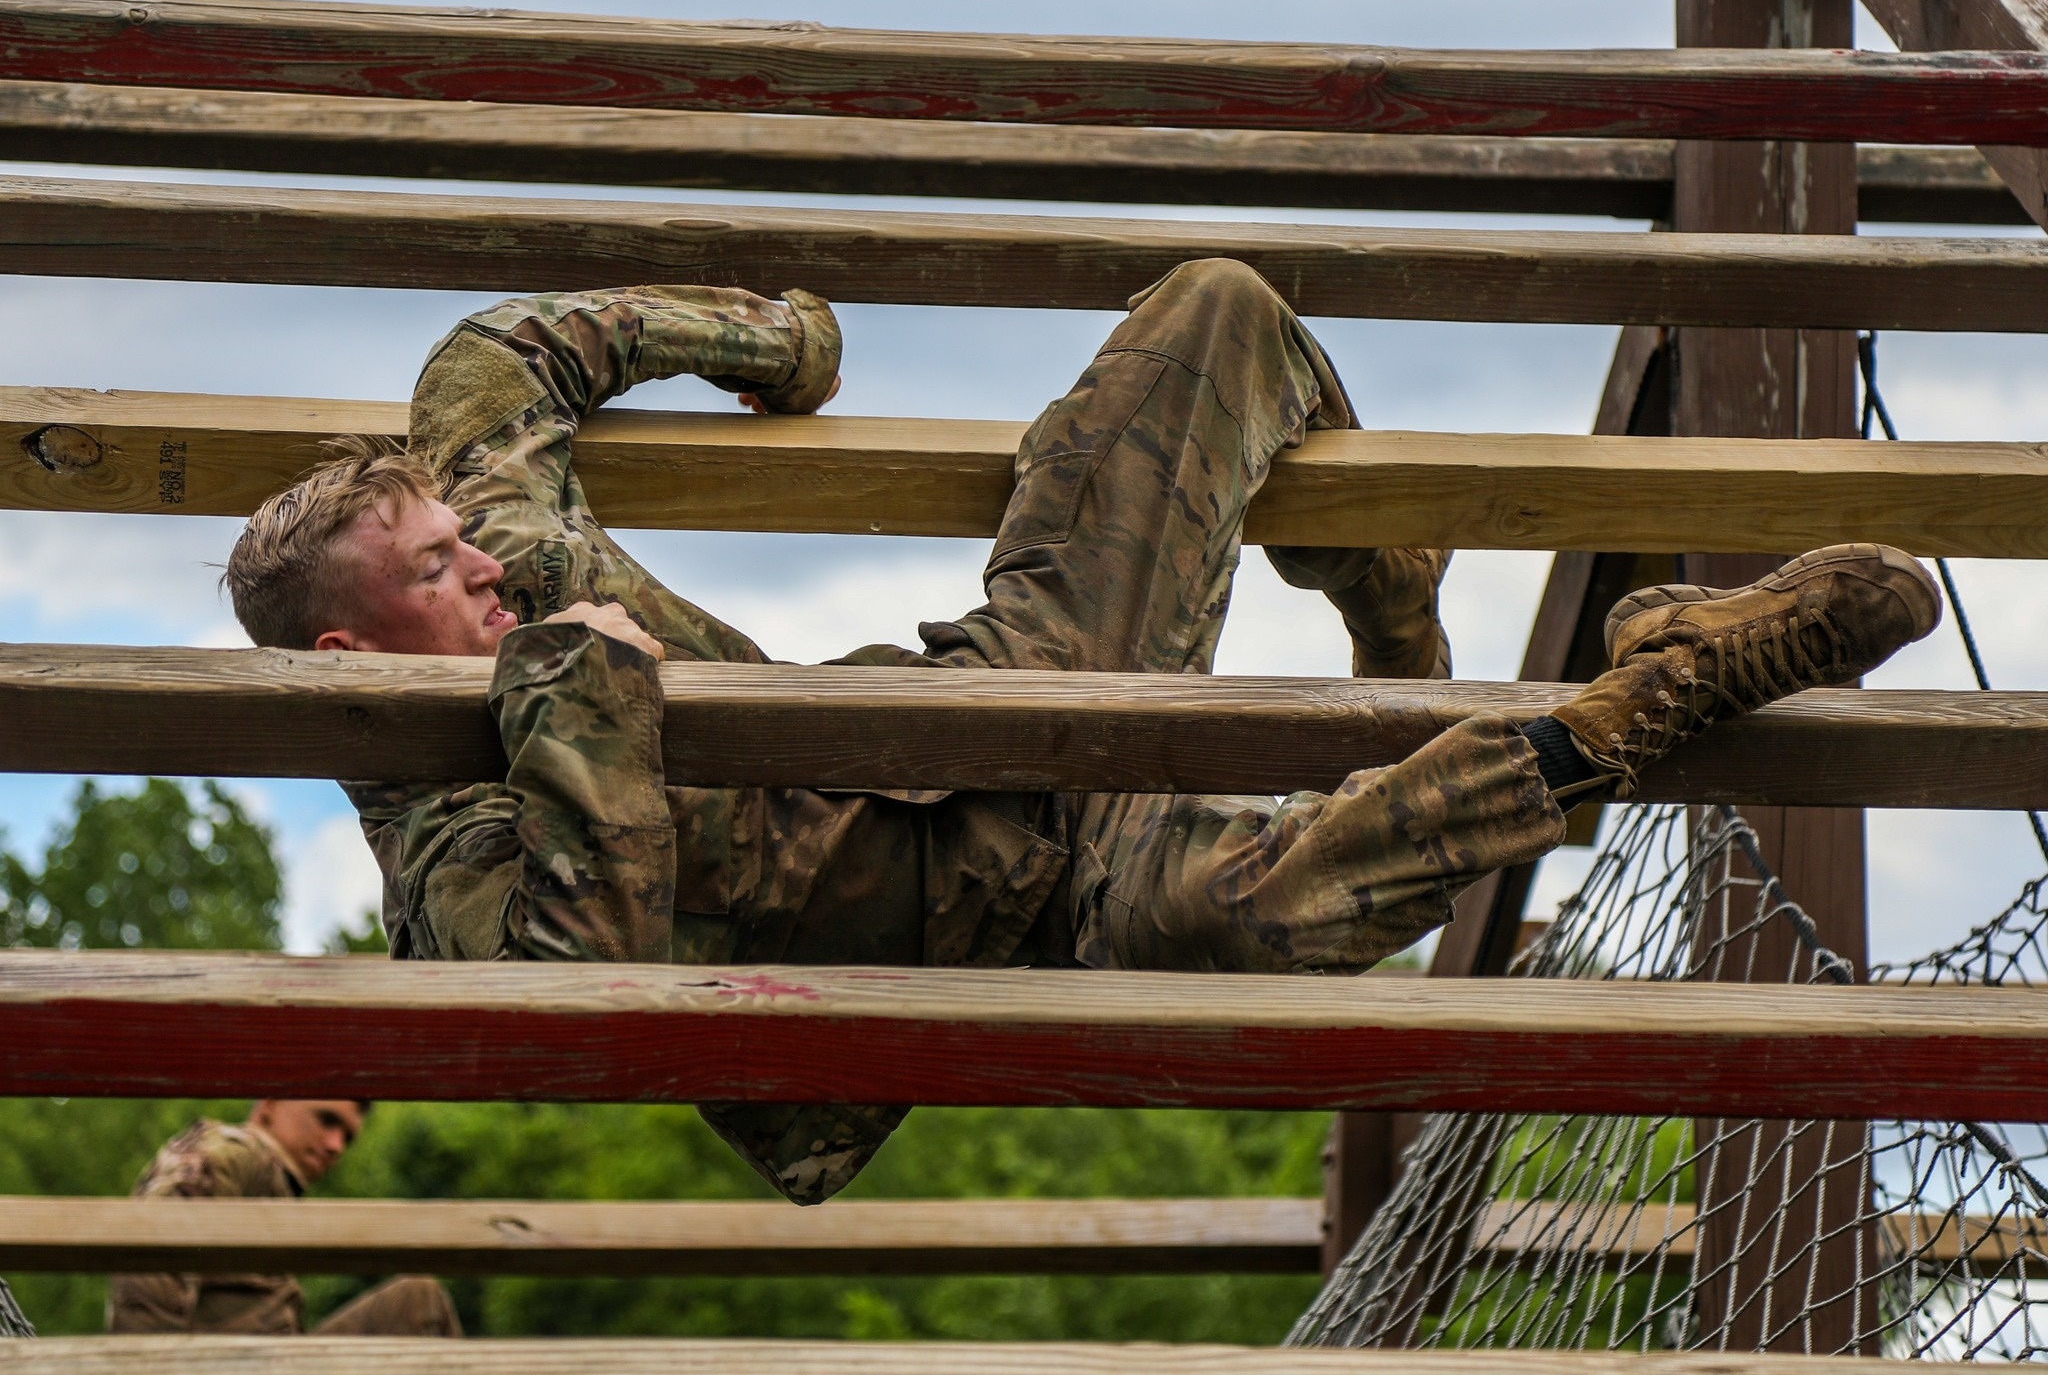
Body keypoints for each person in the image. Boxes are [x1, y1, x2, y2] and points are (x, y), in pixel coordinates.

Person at [222, 259, 1940, 1205]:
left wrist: (772, 341)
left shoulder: (494, 541)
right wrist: (580, 695)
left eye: (467, 543)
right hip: (1019, 926)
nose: (486, 574)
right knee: (1268, 920)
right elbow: (578, 1017)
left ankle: (1393, 614)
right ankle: (1635, 701)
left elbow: (502, 348)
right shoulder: (441, 855)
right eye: (443, 576)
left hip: (996, 695)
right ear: (347, 647)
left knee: (1215, 311)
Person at [107, 1100, 461, 1337]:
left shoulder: (269, 1184)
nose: (336, 1145)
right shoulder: (239, 1151)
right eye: (327, 1120)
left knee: (415, 1299)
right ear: (271, 1104)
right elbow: (154, 1239)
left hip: (275, 1358)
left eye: (347, 1138)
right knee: (419, 1301)